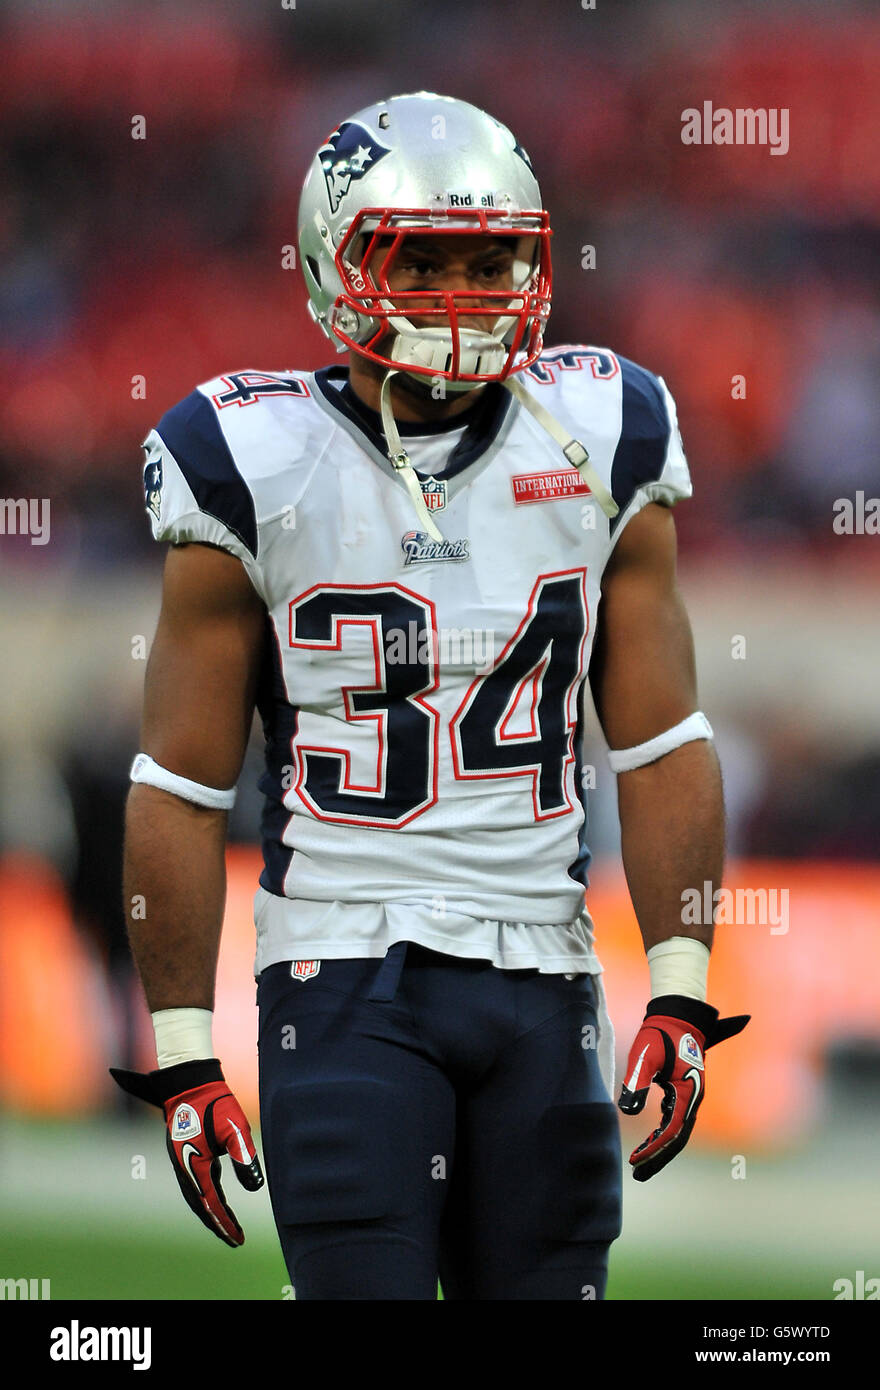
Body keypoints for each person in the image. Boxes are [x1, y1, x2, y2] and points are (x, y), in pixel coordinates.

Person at [110, 91, 748, 1301]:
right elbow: (180, 786)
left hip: (547, 975)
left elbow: (663, 740)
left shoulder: (600, 430)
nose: (468, 289)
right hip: (341, 972)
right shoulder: (251, 457)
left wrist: (680, 980)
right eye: (427, 258)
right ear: (335, 261)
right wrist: (186, 1055)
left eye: (493, 256)